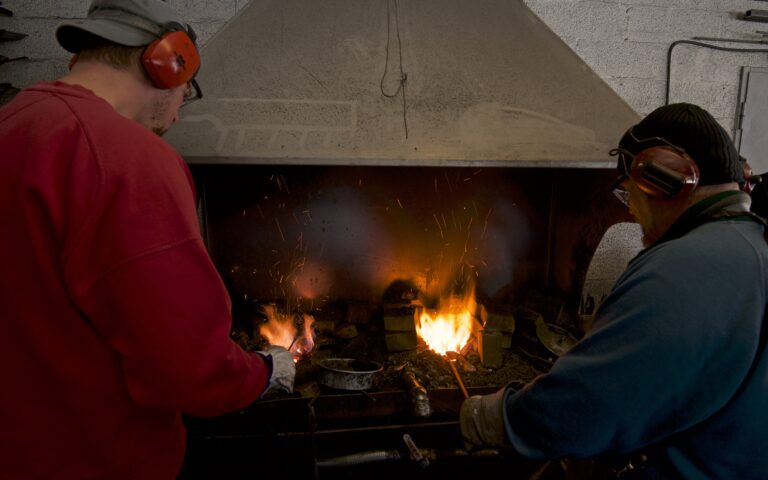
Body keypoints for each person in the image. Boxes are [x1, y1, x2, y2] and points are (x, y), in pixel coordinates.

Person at [0, 1, 295, 478]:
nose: (177, 117)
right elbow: (187, 368)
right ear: (167, 63)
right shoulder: (125, 155)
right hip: (94, 459)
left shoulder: (14, 121)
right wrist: (264, 372)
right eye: (187, 94)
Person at [460, 103, 768, 479]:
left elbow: (581, 410)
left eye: (629, 193)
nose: (631, 212)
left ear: (665, 178)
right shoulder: (751, 246)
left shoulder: (681, 268)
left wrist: (491, 417)